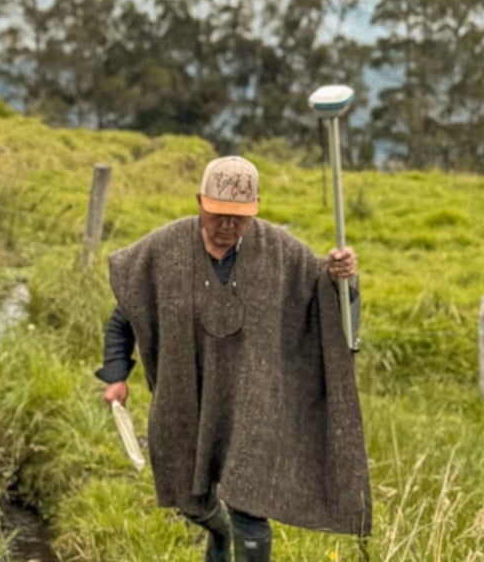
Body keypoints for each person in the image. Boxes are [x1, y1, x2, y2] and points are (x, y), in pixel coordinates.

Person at [97, 156, 371, 562]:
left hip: (254, 406)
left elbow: (328, 304)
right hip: (187, 400)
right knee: (192, 500)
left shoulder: (281, 252)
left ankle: (238, 536)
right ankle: (218, 532)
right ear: (200, 202)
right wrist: (116, 375)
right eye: (218, 214)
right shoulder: (163, 251)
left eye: (239, 217)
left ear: (256, 208)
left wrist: (340, 279)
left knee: (250, 510)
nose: (227, 226)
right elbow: (125, 317)